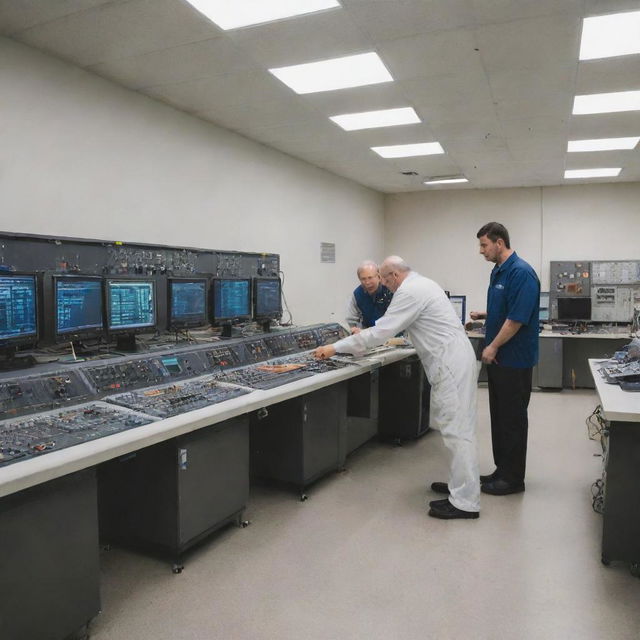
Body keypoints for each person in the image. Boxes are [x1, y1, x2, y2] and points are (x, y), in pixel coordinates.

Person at [314, 256, 480, 520]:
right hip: (453, 360)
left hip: (450, 365)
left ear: (391, 276)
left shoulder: (409, 292)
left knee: (457, 431)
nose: (381, 285)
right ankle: (459, 487)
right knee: (457, 429)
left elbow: (380, 332)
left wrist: (334, 347)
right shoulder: (422, 283)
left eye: (381, 278)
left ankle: (465, 502)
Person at [470, 222, 540, 496]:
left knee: (512, 419)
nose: (481, 251)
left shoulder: (521, 273)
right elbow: (505, 310)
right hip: (500, 360)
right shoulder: (498, 271)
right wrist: (485, 316)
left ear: (499, 243)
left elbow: (517, 319)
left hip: (514, 360)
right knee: (499, 418)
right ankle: (502, 470)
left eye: (484, 245)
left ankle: (513, 480)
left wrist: (492, 347)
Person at [345, 260, 393, 334]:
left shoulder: (390, 290)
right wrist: (355, 330)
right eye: (363, 279)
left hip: (391, 335)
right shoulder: (358, 294)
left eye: (370, 278)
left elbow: (396, 319)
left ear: (379, 277)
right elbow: (352, 320)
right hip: (368, 335)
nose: (367, 282)